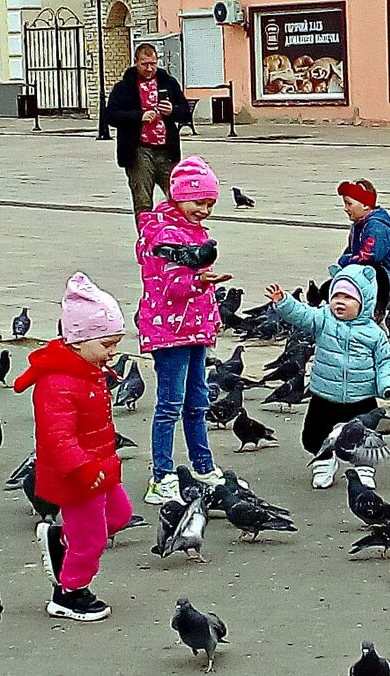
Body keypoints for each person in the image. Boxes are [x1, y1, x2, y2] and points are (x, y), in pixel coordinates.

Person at [13, 272, 131, 622]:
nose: (112, 353)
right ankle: (69, 593)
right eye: (107, 345)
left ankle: (60, 539)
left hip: (100, 466)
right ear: (79, 341)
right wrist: (83, 468)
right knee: (90, 540)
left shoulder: (88, 369)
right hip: (78, 474)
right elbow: (58, 438)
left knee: (119, 517)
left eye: (115, 344)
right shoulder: (57, 384)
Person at [134, 156, 231, 504]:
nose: (204, 209)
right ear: (177, 196)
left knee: (198, 402)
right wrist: (200, 281)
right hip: (169, 331)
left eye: (210, 204)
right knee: (170, 405)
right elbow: (170, 286)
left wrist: (210, 309)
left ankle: (203, 466)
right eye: (198, 202)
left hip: (193, 329)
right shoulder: (163, 234)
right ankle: (161, 476)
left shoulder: (193, 231)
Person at [266, 265, 390, 489]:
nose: (340, 302)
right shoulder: (323, 319)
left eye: (348, 297)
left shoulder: (373, 333)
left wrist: (387, 384)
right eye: (336, 295)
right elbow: (303, 315)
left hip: (361, 395)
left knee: (364, 437)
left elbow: (386, 360)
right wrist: (284, 302)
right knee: (314, 433)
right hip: (324, 393)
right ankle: (324, 462)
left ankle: (363, 468)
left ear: (364, 301)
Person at [105, 43, 193, 216]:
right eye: (144, 64)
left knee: (178, 197)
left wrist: (173, 111)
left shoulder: (168, 82)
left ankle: (178, 237)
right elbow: (111, 116)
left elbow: (185, 113)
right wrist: (139, 116)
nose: (149, 68)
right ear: (135, 62)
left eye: (153, 63)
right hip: (139, 150)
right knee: (143, 201)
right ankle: (146, 239)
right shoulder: (124, 87)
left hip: (167, 150)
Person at [335, 179, 390, 312]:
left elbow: (369, 256)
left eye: (349, 204)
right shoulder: (359, 225)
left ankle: (377, 309)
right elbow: (350, 251)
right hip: (365, 272)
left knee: (371, 270)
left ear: (365, 205)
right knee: (332, 286)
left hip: (389, 277)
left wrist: (345, 261)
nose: (346, 208)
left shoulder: (376, 227)